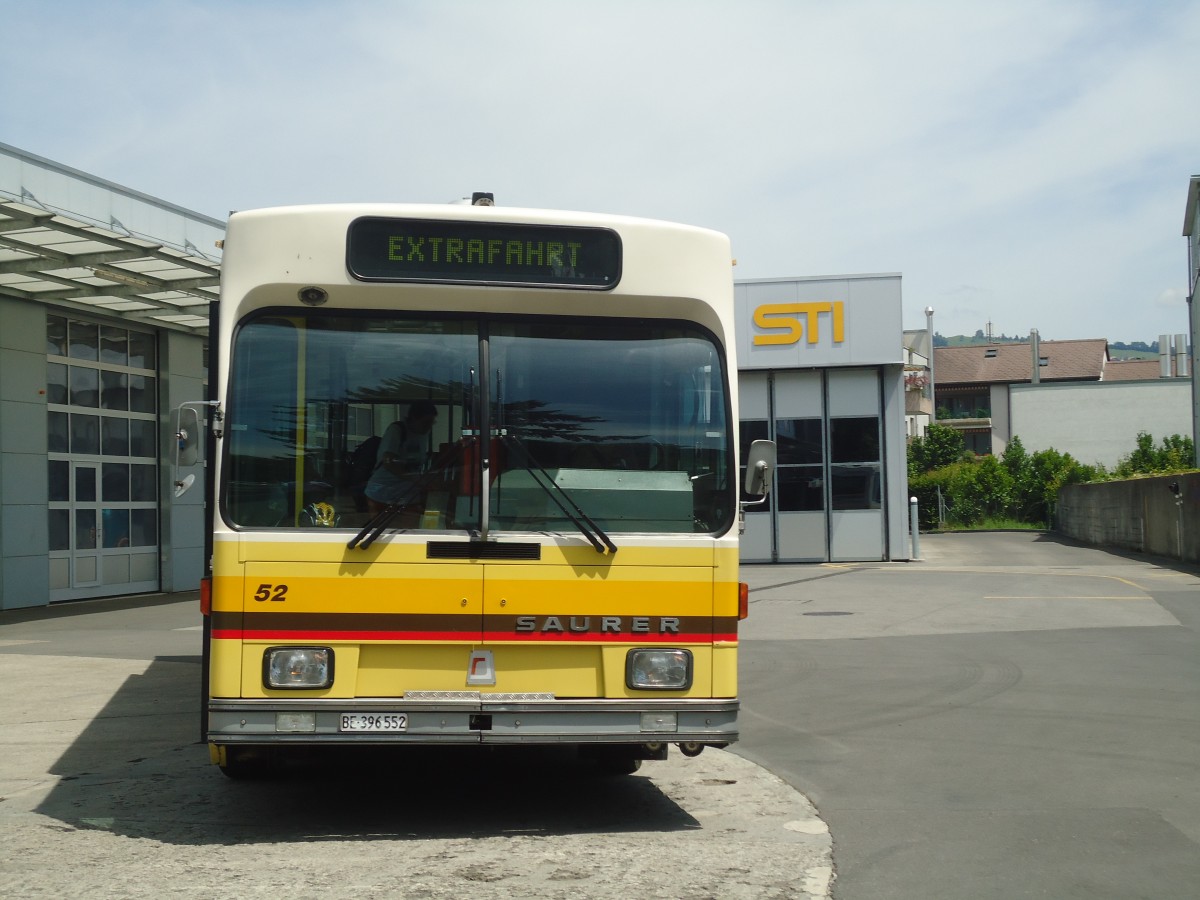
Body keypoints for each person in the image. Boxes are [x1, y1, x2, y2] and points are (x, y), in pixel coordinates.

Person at [364, 400, 438, 514]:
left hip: (408, 494)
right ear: (413, 417)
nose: (428, 427)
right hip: (382, 493)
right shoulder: (397, 430)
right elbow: (389, 462)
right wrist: (416, 479)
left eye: (431, 423)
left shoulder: (423, 435)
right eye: (425, 423)